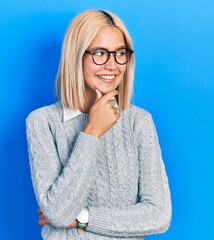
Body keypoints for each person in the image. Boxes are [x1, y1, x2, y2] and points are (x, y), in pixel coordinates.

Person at [26, 9, 172, 239]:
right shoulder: (42, 123)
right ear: (76, 56)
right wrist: (92, 131)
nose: (112, 65)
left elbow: (158, 215)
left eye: (120, 53)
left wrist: (81, 218)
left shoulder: (139, 122)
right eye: (100, 53)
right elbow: (58, 213)